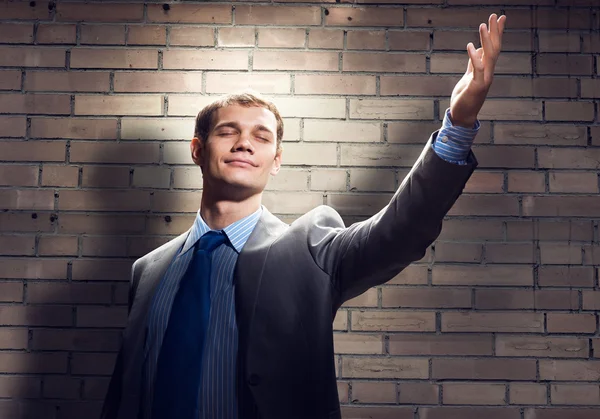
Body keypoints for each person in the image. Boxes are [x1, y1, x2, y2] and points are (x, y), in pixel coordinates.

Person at [101, 13, 506, 419]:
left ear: (275, 161)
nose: (244, 143)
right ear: (197, 150)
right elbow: (124, 391)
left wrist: (459, 123)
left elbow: (399, 231)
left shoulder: (310, 248)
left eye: (261, 137)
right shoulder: (148, 270)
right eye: (228, 132)